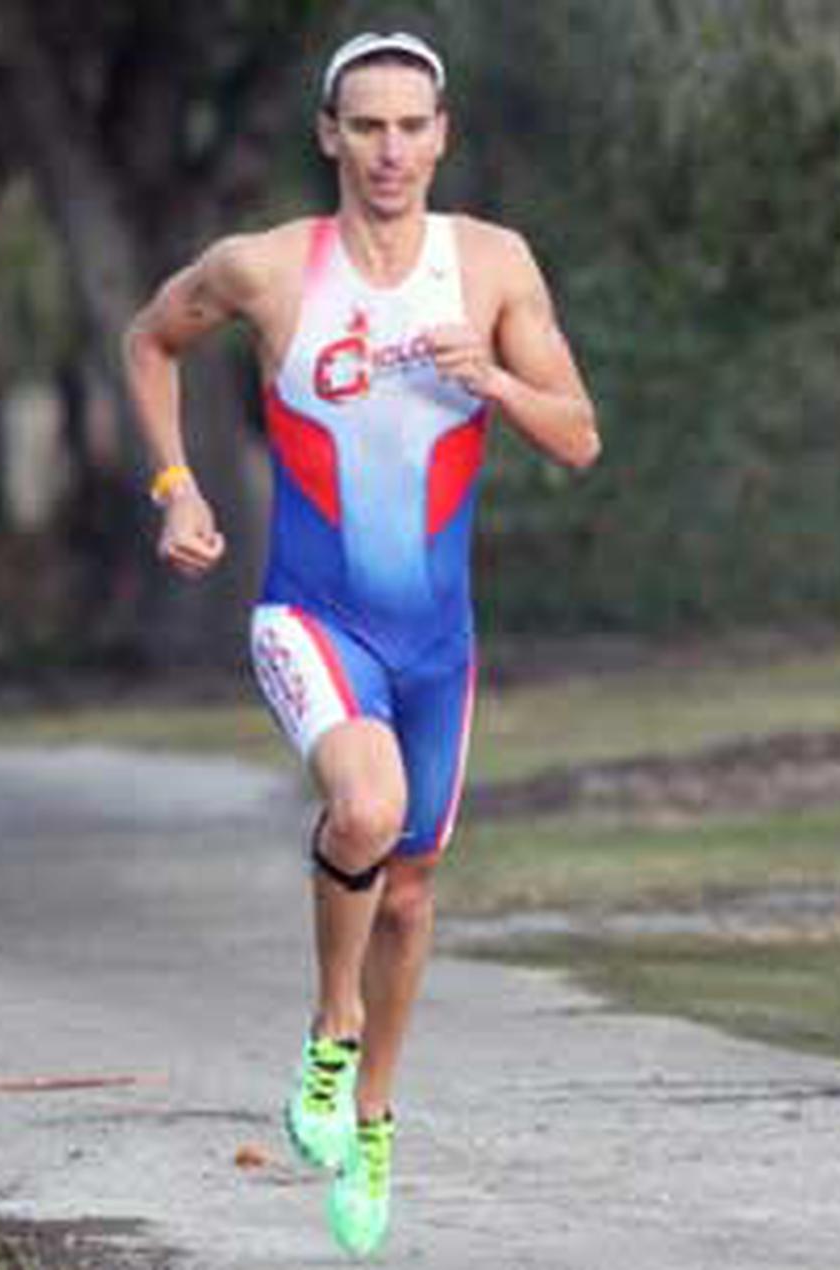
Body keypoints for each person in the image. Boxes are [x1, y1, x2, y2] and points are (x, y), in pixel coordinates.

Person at [121, 29, 599, 1257]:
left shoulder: (492, 265)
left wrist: (491, 376)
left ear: (441, 135)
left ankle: (373, 1108)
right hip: (310, 614)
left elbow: (580, 436)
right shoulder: (267, 269)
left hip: (439, 639)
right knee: (365, 809)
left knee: (412, 891)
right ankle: (329, 1029)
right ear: (328, 135)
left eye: (411, 127)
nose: (390, 150)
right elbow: (149, 341)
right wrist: (176, 484)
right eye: (366, 126)